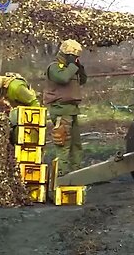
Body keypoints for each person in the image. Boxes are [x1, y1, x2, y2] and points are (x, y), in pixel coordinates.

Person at [43, 39, 87, 176]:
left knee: (76, 145)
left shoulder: (71, 67)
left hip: (72, 110)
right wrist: (72, 66)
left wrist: (80, 68)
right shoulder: (54, 67)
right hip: (61, 110)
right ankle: (61, 174)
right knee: (63, 145)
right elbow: (63, 78)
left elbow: (83, 81)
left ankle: (76, 172)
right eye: (74, 56)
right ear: (67, 54)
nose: (76, 59)